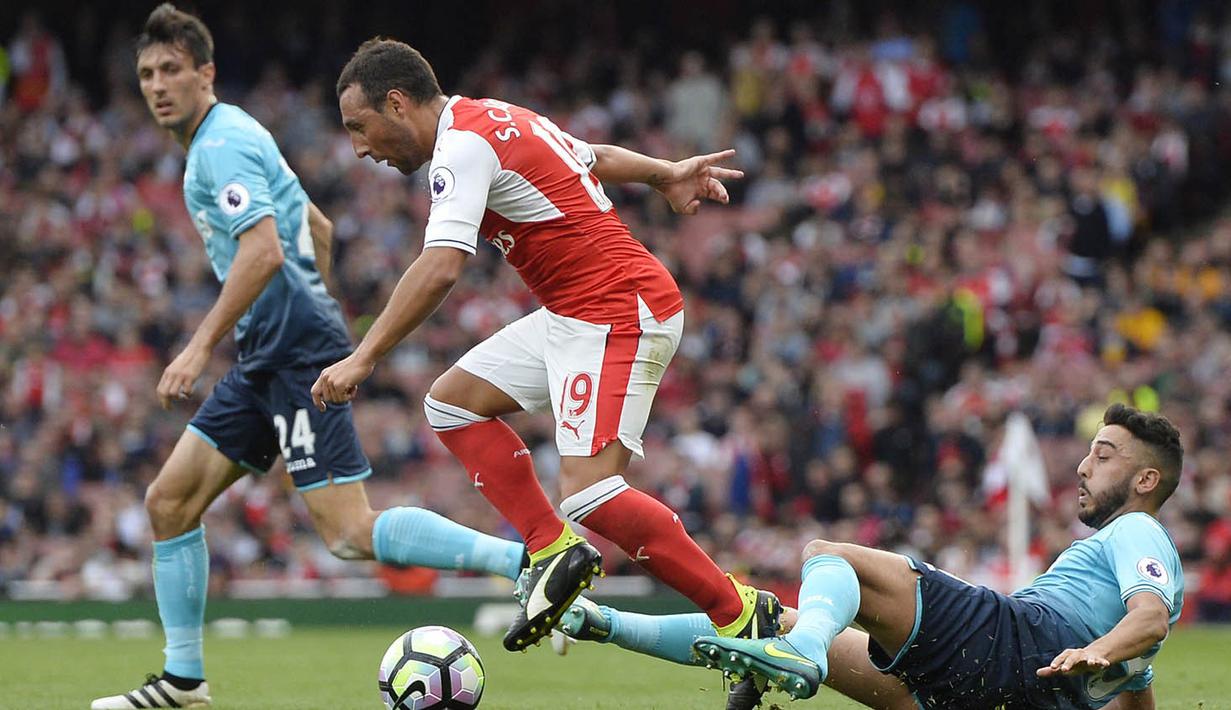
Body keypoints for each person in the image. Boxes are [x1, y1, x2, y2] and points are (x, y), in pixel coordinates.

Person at [92, 8, 527, 709]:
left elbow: (264, 250)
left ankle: (525, 562)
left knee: (350, 535)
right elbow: (315, 227)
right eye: (147, 73)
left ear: (206, 72)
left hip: (287, 346)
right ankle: (182, 682)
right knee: (169, 502)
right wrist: (315, 309)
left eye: (172, 69)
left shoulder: (219, 145)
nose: (157, 85)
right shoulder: (229, 136)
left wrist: (202, 343)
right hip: (275, 346)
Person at [312, 37, 781, 658]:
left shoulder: (462, 146)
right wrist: (666, 172)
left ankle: (739, 614)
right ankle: (553, 550)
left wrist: (363, 356)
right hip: (574, 313)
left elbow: (443, 265)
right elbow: (594, 157)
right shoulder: (499, 117)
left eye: (359, 127)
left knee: (590, 493)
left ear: (397, 103)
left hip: (619, 308)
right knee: (451, 404)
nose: (359, 149)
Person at [687, 403, 1183, 709]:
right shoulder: (1115, 611)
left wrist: (1090, 651)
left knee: (828, 555)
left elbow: (1150, 620)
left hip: (1009, 642)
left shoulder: (1137, 528)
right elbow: (1137, 669)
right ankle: (611, 625)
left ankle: (804, 651)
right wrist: (1103, 652)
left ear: (1145, 481)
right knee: (781, 622)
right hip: (1006, 689)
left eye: (1102, 456)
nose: (1081, 467)